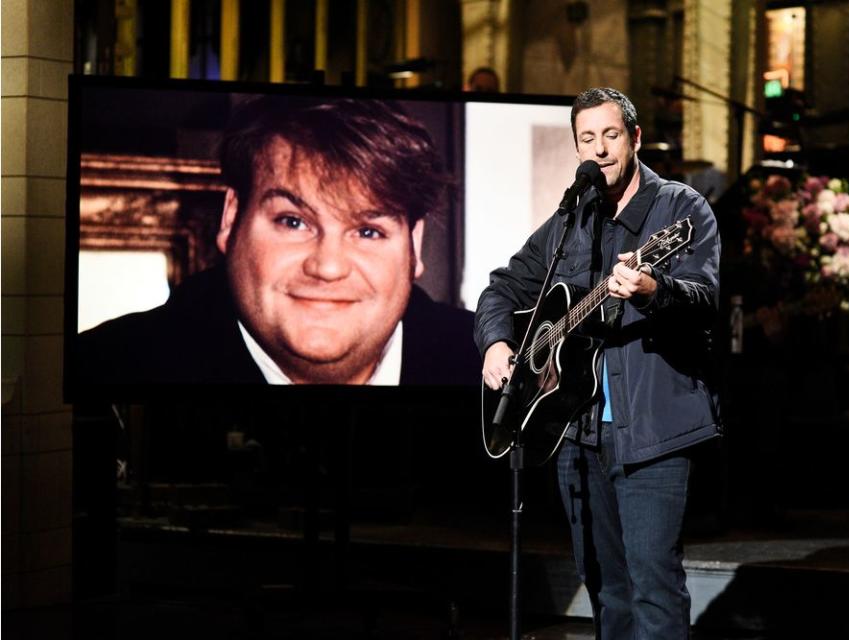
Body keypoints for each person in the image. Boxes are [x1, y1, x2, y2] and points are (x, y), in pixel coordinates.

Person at [475, 87, 721, 639]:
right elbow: (501, 288)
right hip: (577, 435)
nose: (601, 149)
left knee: (653, 587)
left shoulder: (682, 209)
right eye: (589, 139)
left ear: (635, 138)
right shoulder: (573, 220)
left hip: (654, 434)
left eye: (611, 135)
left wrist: (653, 288)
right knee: (604, 588)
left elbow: (705, 299)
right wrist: (495, 343)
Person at [78, 96, 478, 386]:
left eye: (368, 231)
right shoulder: (103, 367)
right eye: (293, 222)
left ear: (414, 244)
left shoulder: (500, 373)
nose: (328, 266)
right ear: (232, 218)